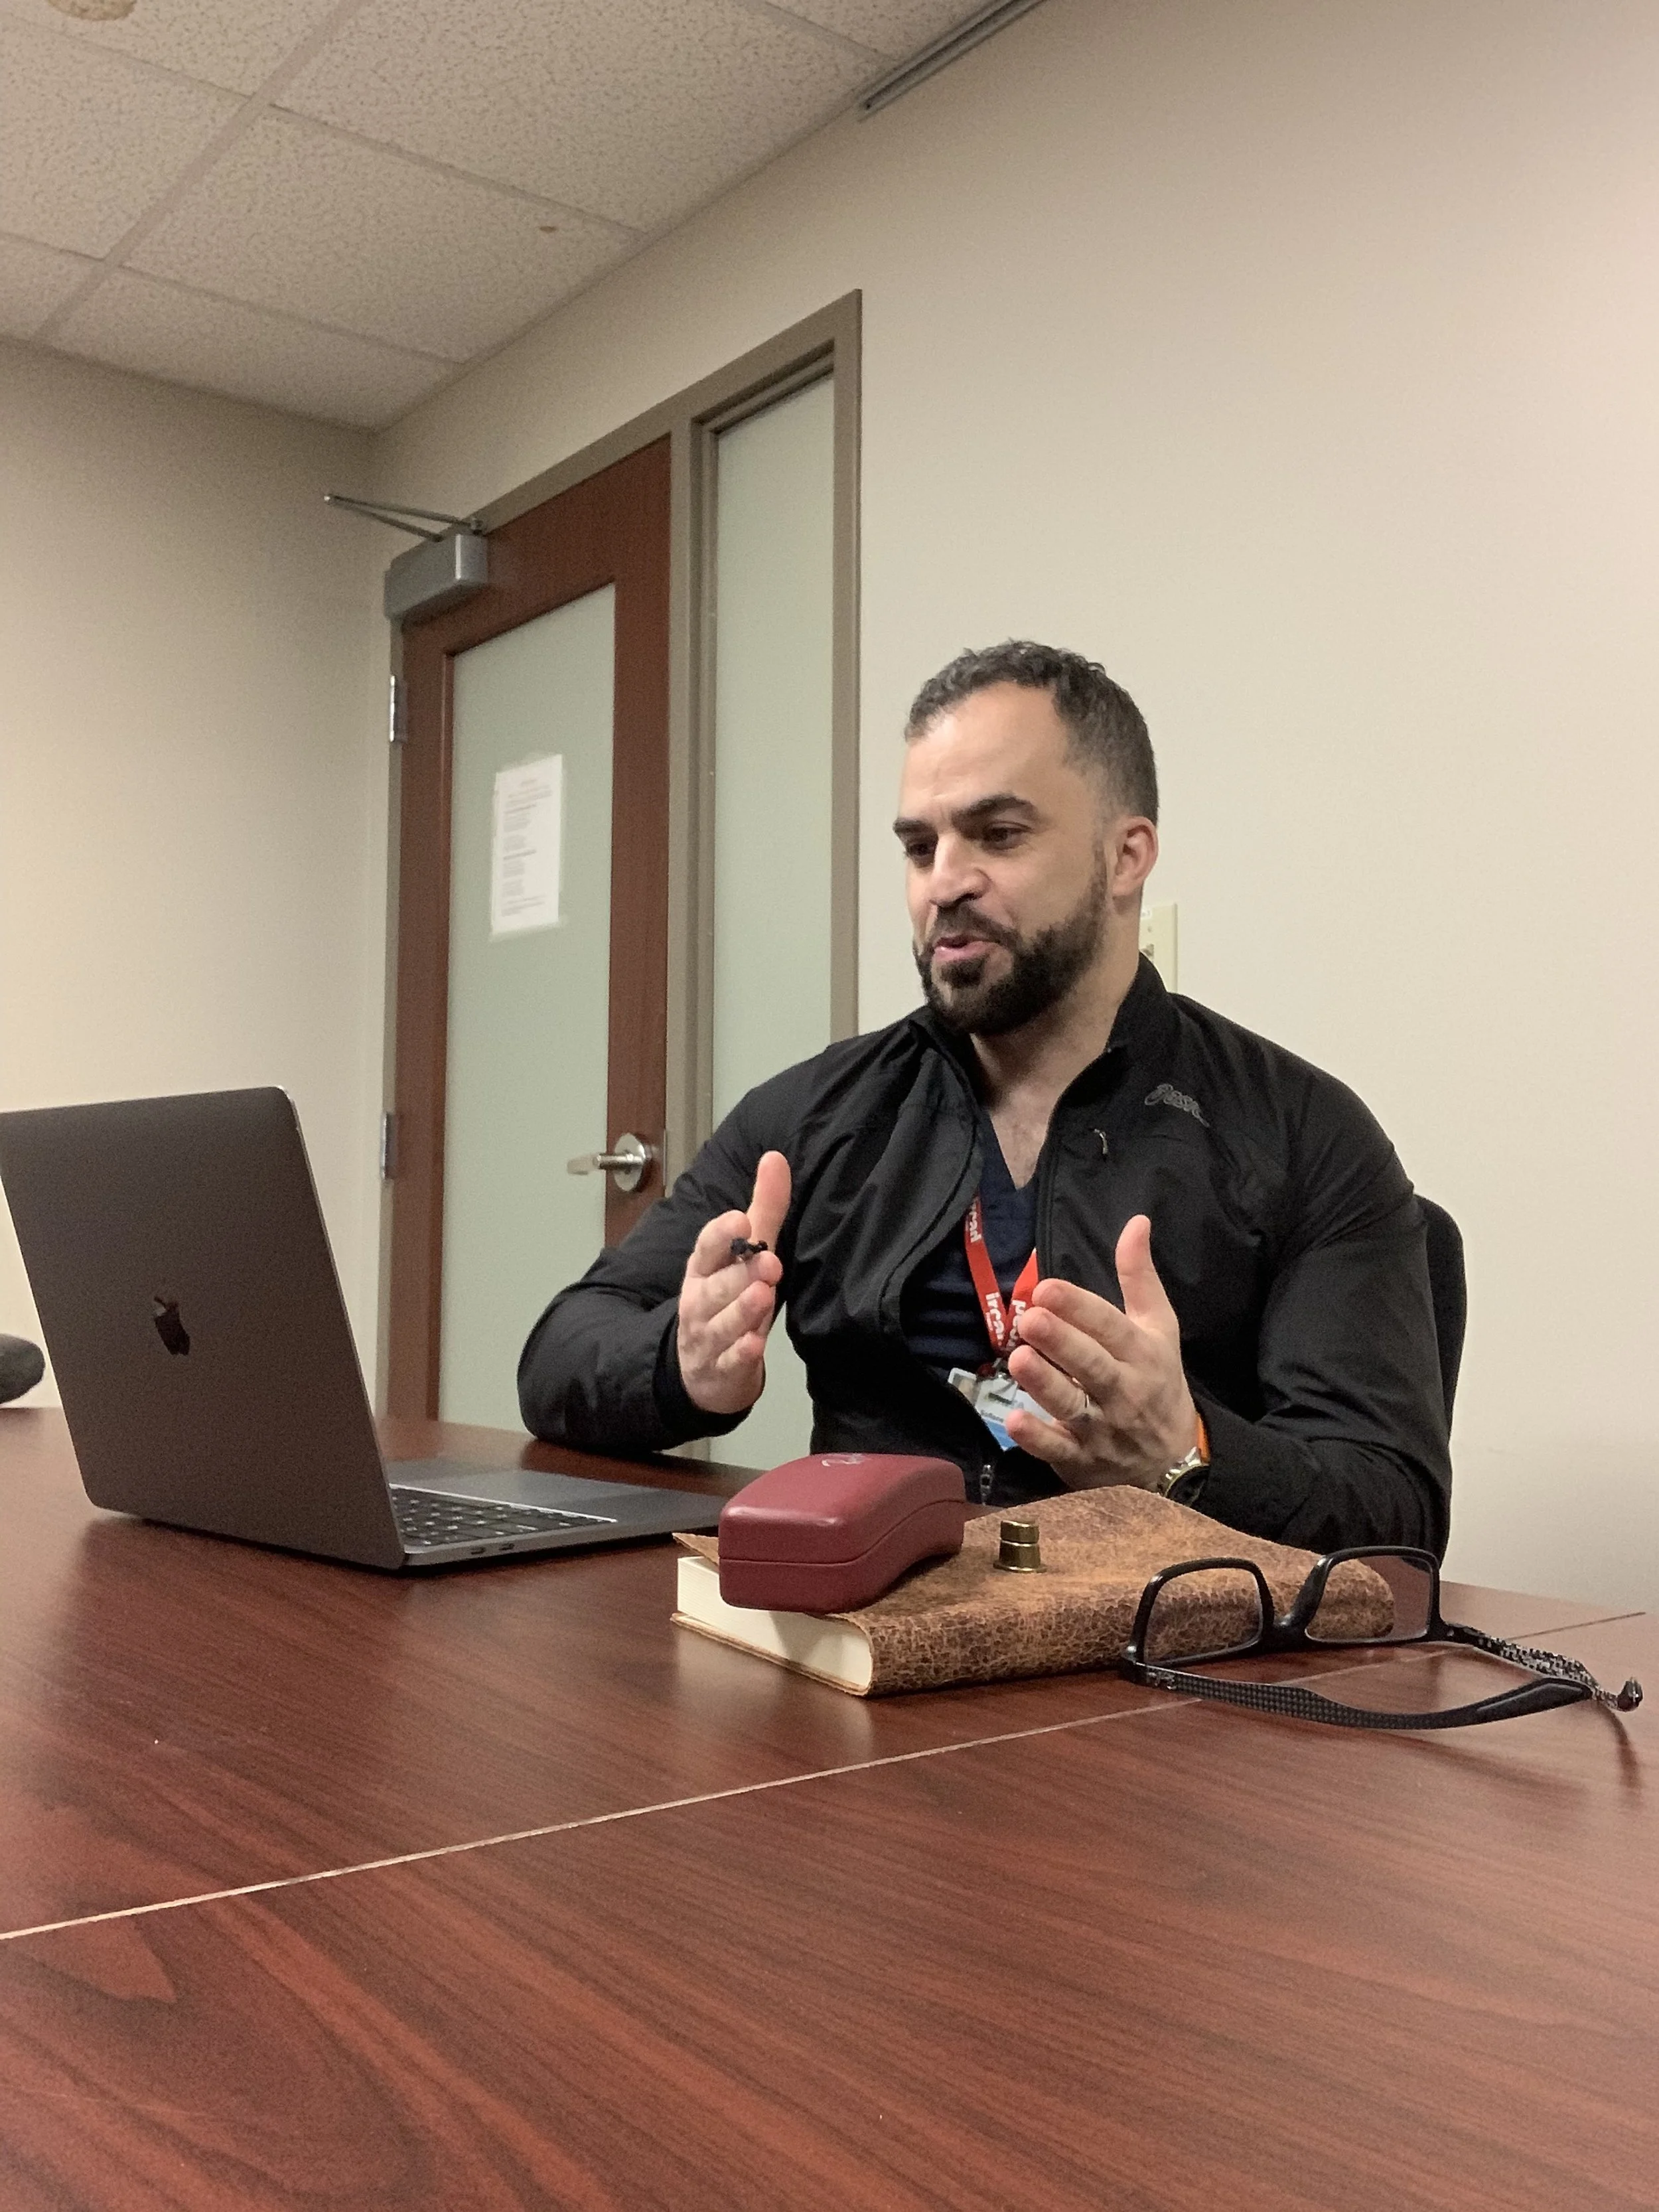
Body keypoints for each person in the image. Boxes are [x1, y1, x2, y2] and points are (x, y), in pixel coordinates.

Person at [519, 642, 1451, 1553]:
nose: (944, 884)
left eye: (998, 835)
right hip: (875, 1630)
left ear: (1127, 857)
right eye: (920, 847)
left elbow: (1393, 1504)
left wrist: (1186, 1454)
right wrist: (680, 1366)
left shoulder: (1302, 1133)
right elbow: (560, 1353)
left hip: (1158, 1656)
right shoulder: (812, 1119)